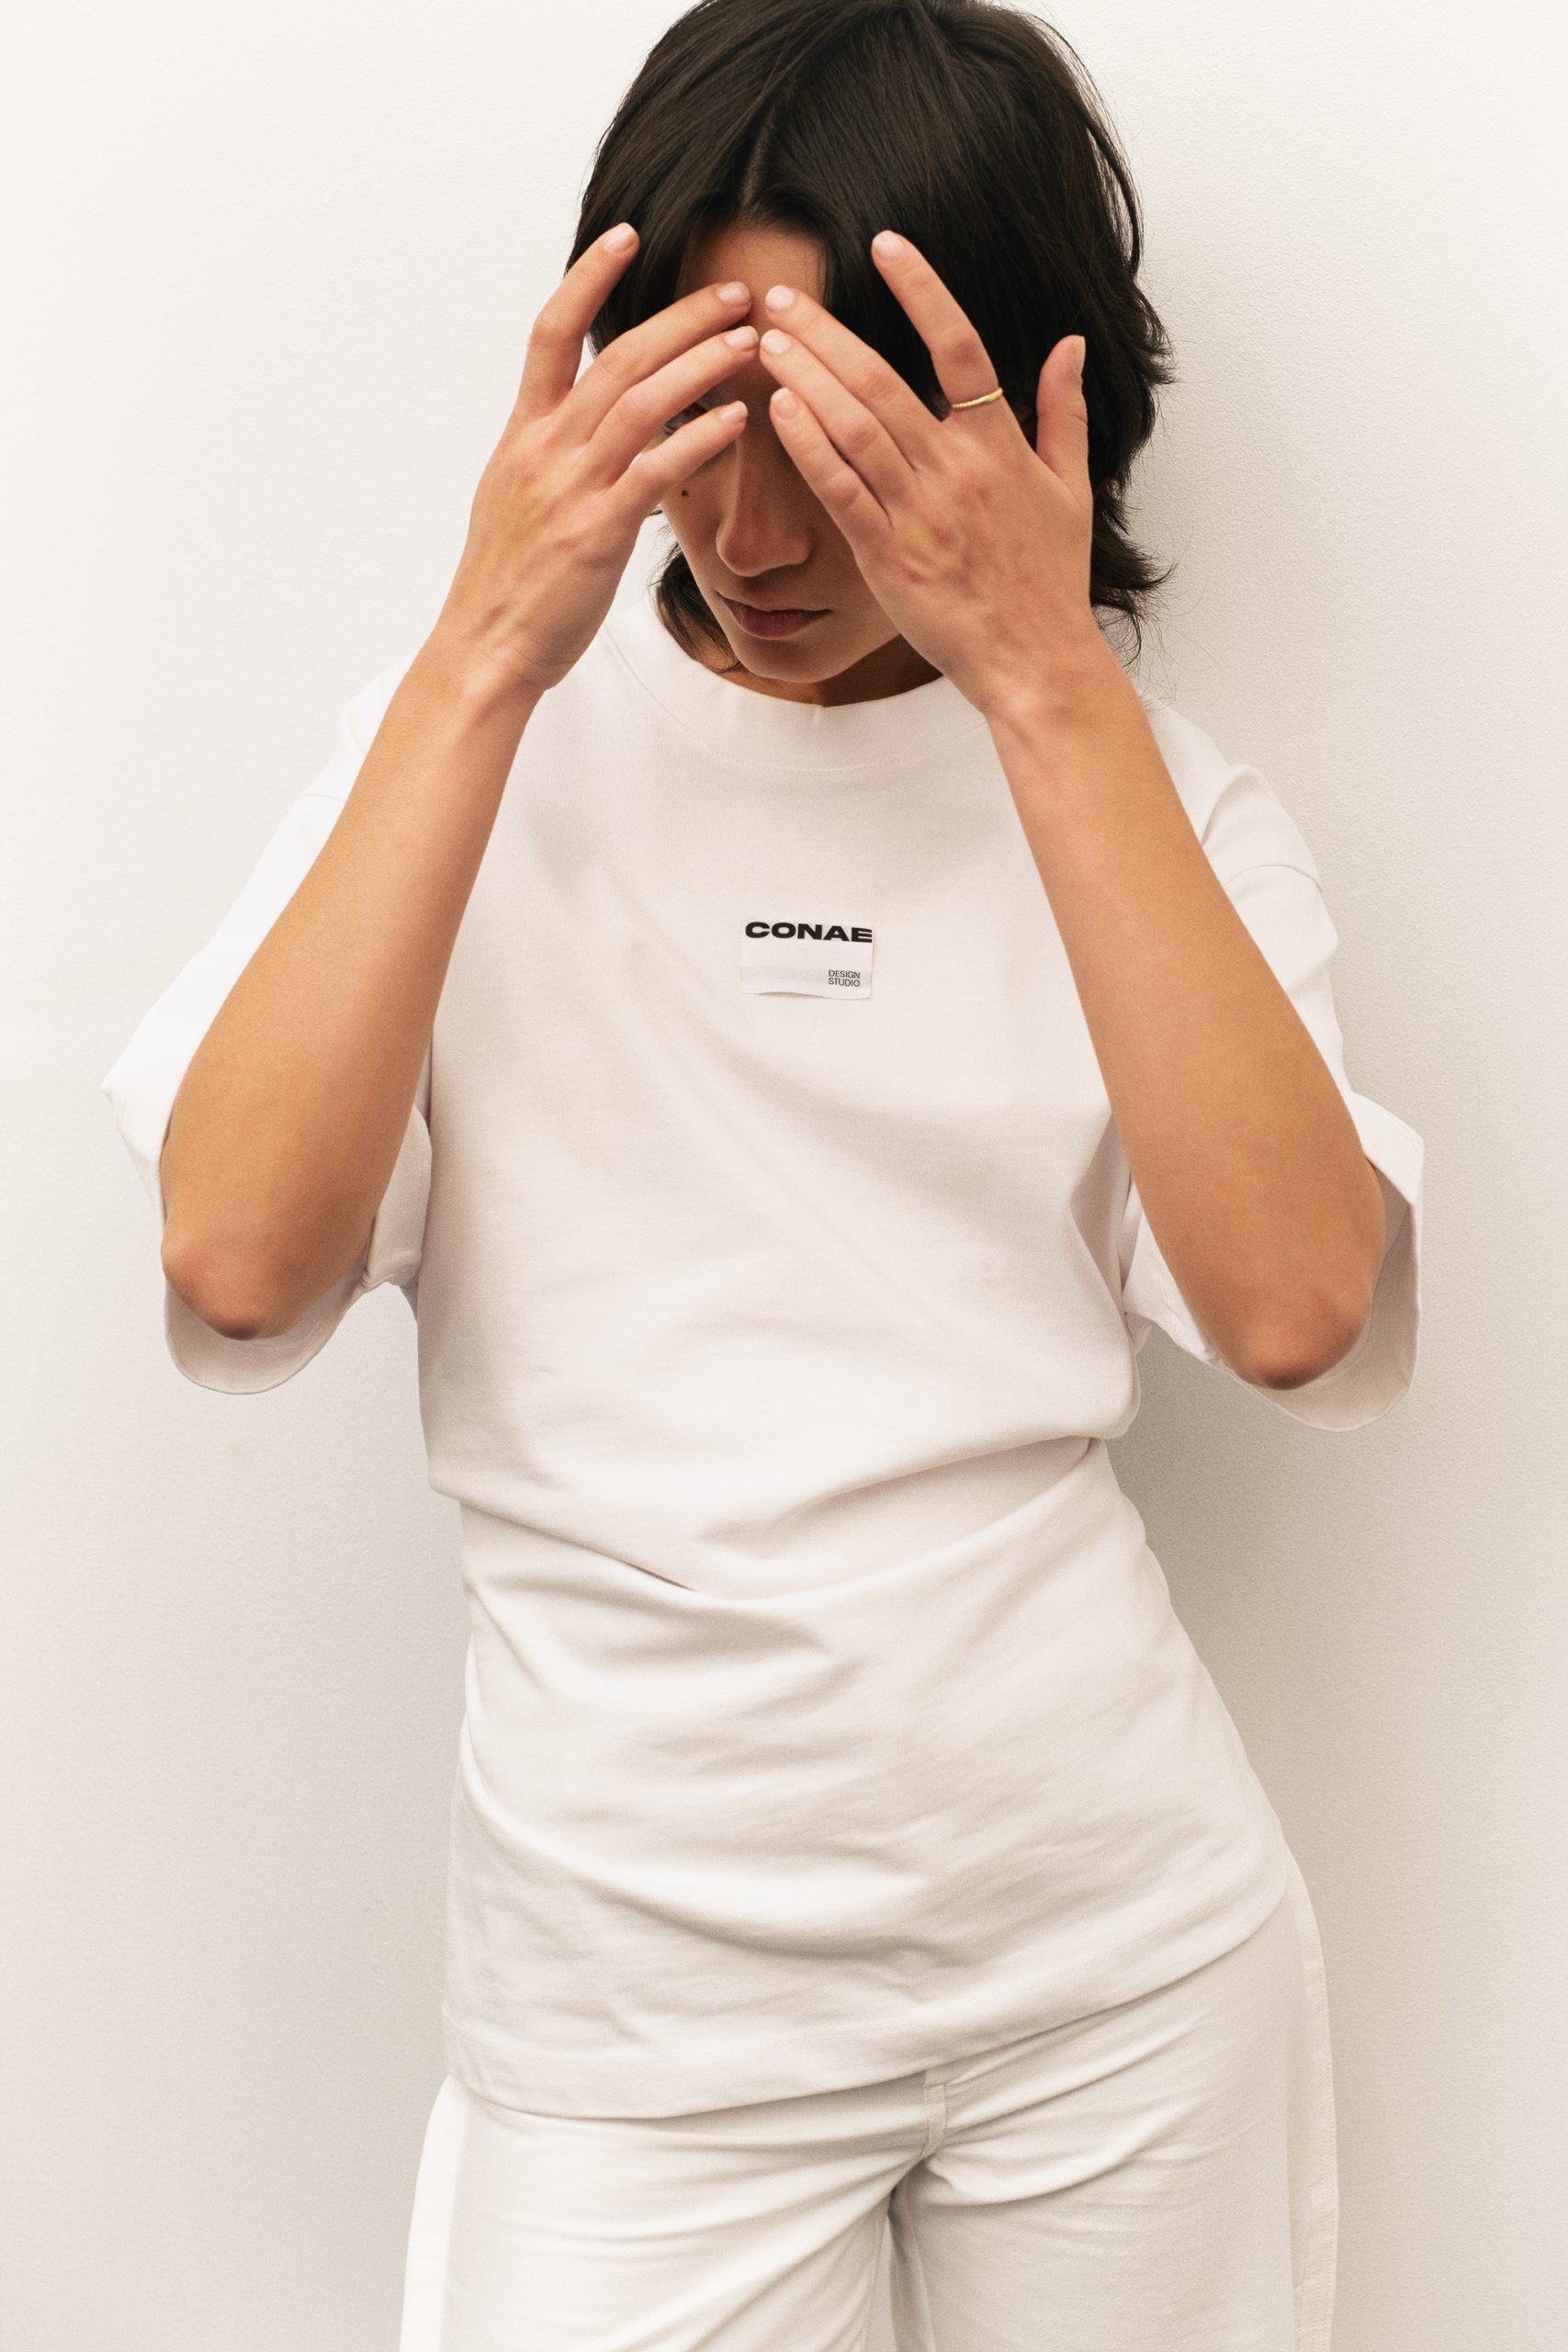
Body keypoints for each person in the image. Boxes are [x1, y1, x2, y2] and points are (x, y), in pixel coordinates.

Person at [101, 4, 1423, 2346]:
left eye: (835, 435)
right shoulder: (475, 760)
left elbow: (1296, 1310)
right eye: (704, 424)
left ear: (1023, 405)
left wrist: (1041, 685)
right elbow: (236, 1267)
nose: (754, 531)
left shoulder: (1149, 798)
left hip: (1113, 1968)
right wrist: (483, 648)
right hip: (635, 2024)